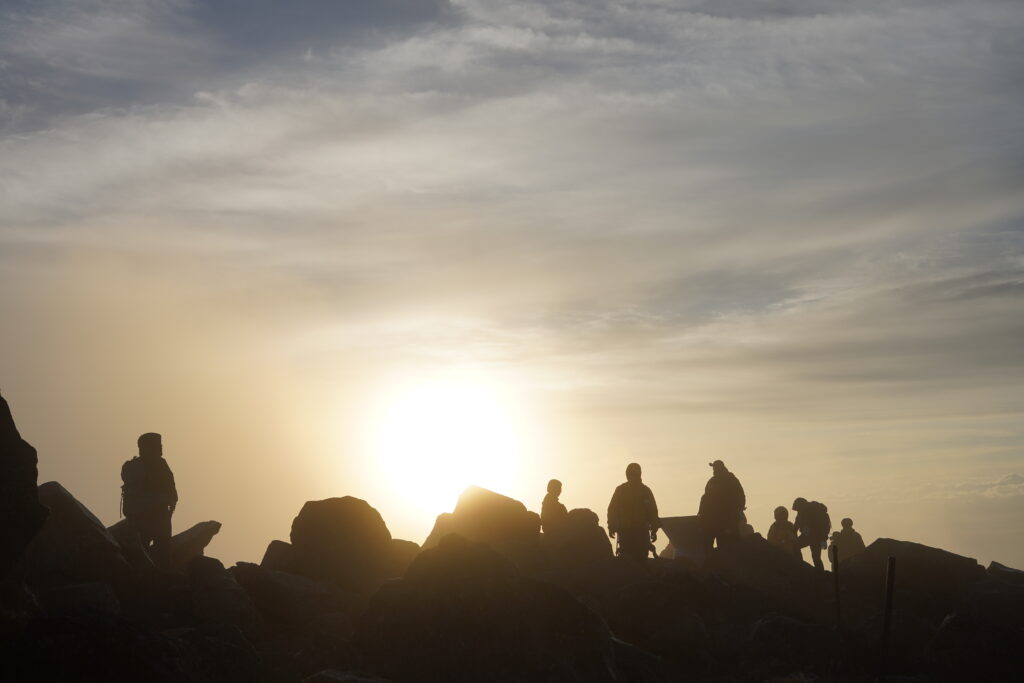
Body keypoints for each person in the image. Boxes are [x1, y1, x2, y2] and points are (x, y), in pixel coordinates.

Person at [121, 432, 177, 568]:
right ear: (146, 447)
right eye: (157, 445)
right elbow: (172, 493)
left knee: (161, 549)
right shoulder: (135, 466)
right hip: (145, 515)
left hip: (156, 514)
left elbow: (172, 491)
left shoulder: (160, 465)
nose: (161, 448)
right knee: (149, 549)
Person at [607, 463, 660, 562]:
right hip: (632, 533)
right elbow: (653, 511)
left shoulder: (622, 490)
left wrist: (611, 526)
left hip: (632, 533)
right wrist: (654, 529)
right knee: (637, 561)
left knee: (628, 561)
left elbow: (612, 510)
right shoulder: (644, 491)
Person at [698, 460, 746, 554]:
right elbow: (705, 498)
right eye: (714, 468)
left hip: (726, 521)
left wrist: (735, 514)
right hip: (713, 521)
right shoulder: (714, 481)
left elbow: (740, 498)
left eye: (715, 468)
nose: (714, 470)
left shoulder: (730, 481)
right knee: (711, 546)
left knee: (726, 546)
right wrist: (701, 514)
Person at [792, 497, 831, 572]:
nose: (798, 511)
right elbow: (796, 526)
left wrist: (793, 536)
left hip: (811, 536)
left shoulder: (804, 512)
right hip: (818, 537)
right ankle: (820, 573)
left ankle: (800, 565)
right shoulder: (814, 510)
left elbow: (796, 525)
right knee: (816, 557)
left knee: (795, 547)